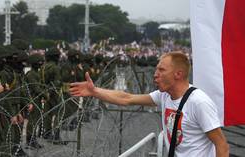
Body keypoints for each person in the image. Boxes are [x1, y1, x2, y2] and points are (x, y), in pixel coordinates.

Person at [69, 51, 229, 157]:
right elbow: (127, 98)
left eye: (161, 70)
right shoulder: (164, 95)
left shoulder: (199, 102)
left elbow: (221, 144)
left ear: (178, 74)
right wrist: (95, 91)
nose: (155, 75)